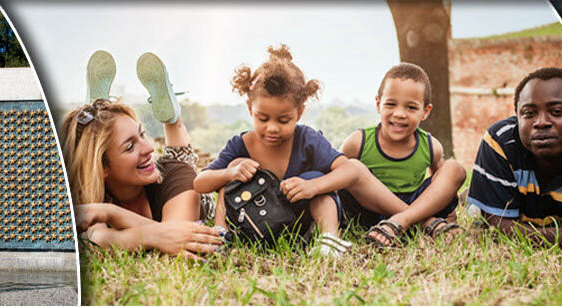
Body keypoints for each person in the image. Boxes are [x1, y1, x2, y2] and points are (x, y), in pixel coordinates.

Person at [193, 45, 355, 257]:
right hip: (251, 226)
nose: (272, 128)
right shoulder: (240, 144)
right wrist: (230, 173)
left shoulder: (308, 140)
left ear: (299, 112)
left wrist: (312, 186)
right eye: (263, 118)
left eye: (284, 120)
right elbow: (199, 183)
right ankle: (220, 235)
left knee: (316, 179)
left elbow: (350, 171)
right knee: (233, 169)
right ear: (250, 109)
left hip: (298, 229)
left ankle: (329, 240)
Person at [65, 52, 223, 260]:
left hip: (179, 177)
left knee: (182, 155)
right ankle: (97, 112)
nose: (149, 147)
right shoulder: (86, 188)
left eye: (143, 134)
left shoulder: (177, 173)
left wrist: (111, 214)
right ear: (103, 168)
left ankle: (171, 116)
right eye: (130, 147)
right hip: (106, 172)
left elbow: (178, 237)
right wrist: (142, 235)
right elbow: (96, 237)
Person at [467, 67, 562, 249]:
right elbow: (497, 224)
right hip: (516, 198)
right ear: (517, 116)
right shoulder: (500, 142)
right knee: (479, 211)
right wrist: (558, 236)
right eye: (529, 113)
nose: (541, 122)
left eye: (556, 111)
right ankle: (481, 191)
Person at [338, 63, 468, 247]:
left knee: (455, 169)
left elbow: (442, 185)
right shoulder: (358, 142)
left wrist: (450, 214)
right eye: (391, 104)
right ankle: (424, 222)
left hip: (415, 202)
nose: (399, 114)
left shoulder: (431, 146)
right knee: (352, 168)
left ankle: (402, 220)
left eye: (411, 108)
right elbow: (334, 178)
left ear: (425, 111)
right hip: (369, 214)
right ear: (378, 104)